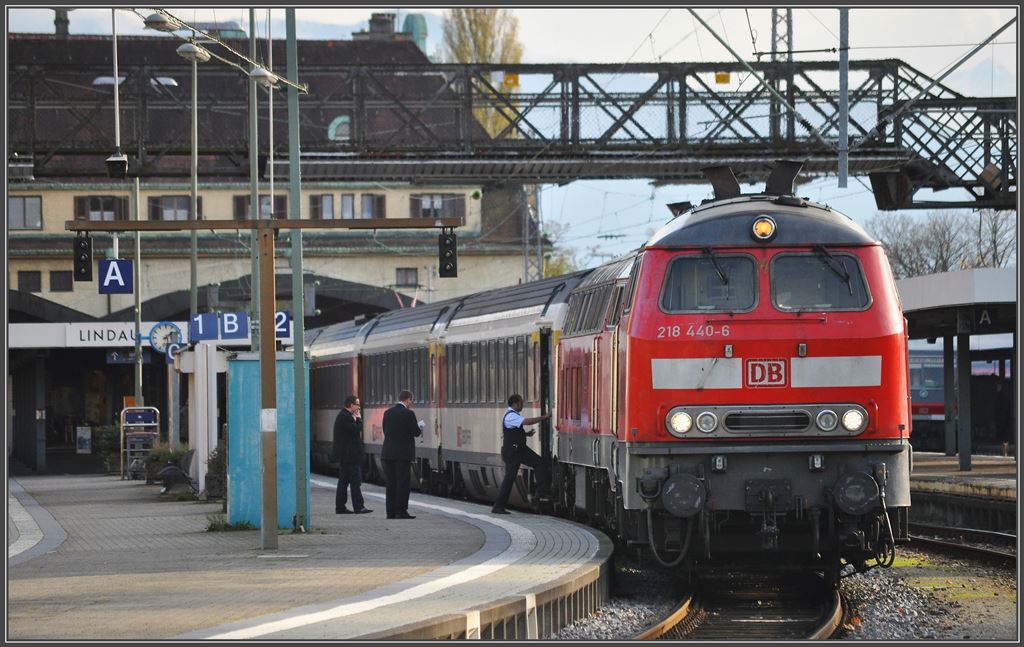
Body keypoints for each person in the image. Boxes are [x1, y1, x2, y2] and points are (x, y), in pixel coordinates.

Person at [492, 393, 552, 515]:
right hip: (513, 452)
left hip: (520, 450)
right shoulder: (510, 416)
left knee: (539, 463)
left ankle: (541, 493)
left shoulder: (512, 415)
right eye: (521, 403)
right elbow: (527, 421)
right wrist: (545, 417)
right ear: (515, 403)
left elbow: (514, 432)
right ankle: (498, 506)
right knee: (509, 478)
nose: (522, 405)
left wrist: (525, 434)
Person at [381, 390, 423, 519]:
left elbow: (385, 430)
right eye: (411, 401)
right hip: (403, 455)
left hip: (388, 453)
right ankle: (401, 511)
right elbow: (415, 432)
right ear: (408, 399)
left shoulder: (387, 413)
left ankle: (390, 512)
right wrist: (419, 426)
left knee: (391, 483)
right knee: (402, 484)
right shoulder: (408, 414)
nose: (411, 403)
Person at [334, 395, 372, 514]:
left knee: (343, 482)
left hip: (347, 456)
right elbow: (356, 430)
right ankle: (359, 506)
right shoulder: (345, 417)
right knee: (355, 481)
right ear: (351, 405)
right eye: (357, 404)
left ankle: (340, 507)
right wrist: (359, 419)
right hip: (350, 456)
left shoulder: (344, 416)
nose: (359, 407)